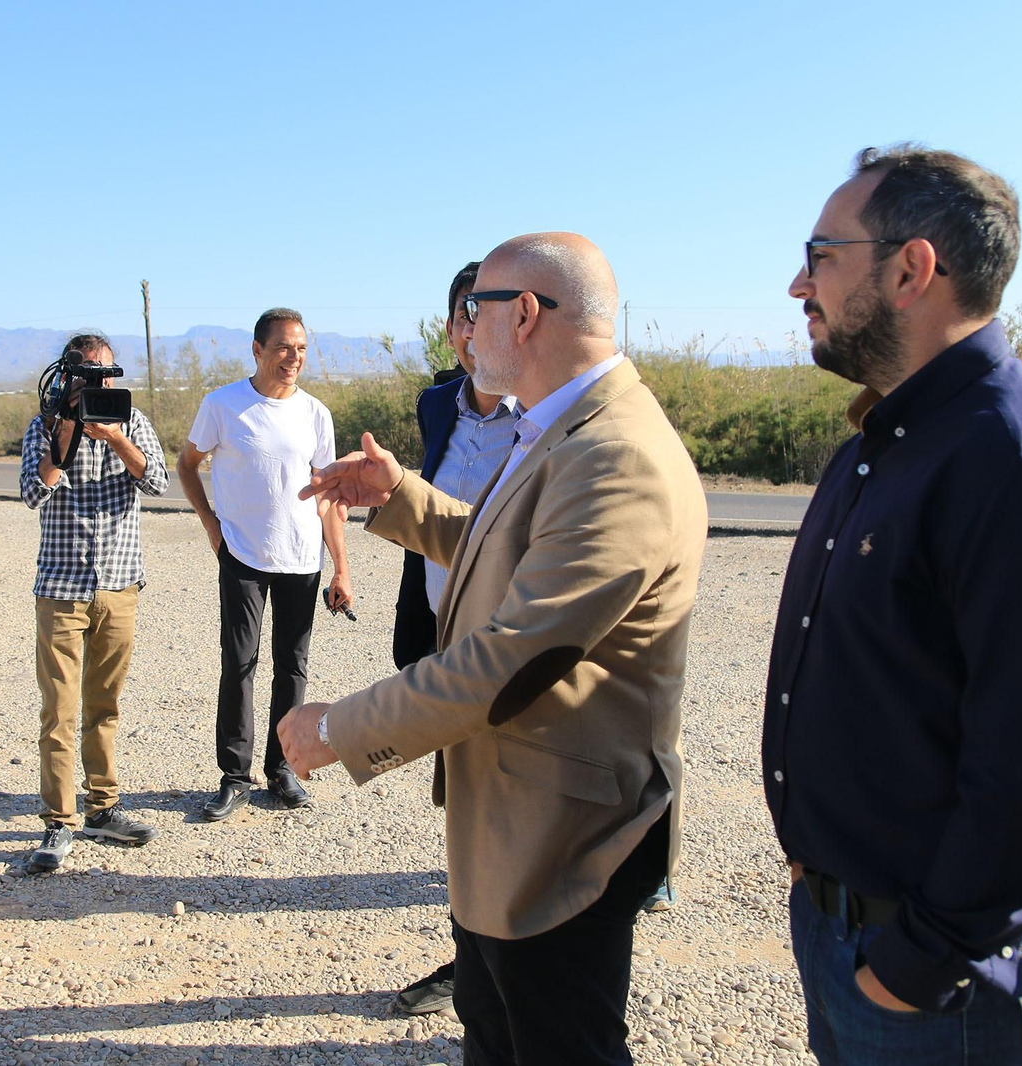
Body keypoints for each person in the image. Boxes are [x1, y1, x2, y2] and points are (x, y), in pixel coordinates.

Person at [282, 233, 707, 1065]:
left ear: (525, 313)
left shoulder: (614, 452)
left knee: (556, 1043)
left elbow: (518, 654)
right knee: (497, 1030)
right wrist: (401, 496)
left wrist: (339, 728)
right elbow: (510, 543)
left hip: (564, 841)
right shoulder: (564, 426)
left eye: (474, 310)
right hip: (515, 825)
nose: (462, 331)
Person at [767, 146, 1022, 1065]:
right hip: (857, 938)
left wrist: (922, 960)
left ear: (911, 269)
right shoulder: (880, 440)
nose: (798, 282)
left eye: (822, 254)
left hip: (960, 987)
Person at [389, 260, 519, 1017]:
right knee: (463, 805)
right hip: (441, 636)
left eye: (489, 312)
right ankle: (477, 960)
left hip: (509, 646)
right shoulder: (437, 405)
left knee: (505, 813)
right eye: (463, 315)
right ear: (452, 328)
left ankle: (493, 967)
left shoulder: (545, 419)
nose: (476, 330)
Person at [178, 308, 354, 821]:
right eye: (282, 348)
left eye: (300, 349)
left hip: (302, 558)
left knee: (292, 667)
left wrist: (340, 566)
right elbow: (187, 465)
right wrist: (212, 528)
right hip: (243, 555)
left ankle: (283, 770)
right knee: (239, 664)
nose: (293, 358)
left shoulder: (315, 414)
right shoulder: (224, 405)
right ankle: (234, 776)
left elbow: (327, 497)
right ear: (257, 351)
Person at [19, 331, 168, 869]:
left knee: (104, 705)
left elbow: (158, 482)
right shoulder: (45, 425)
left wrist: (118, 439)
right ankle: (59, 823)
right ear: (67, 375)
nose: (99, 384)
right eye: (88, 376)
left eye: (106, 375)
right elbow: (34, 493)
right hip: (61, 587)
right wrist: (68, 432)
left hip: (119, 584)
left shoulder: (133, 420)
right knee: (58, 711)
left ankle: (103, 809)